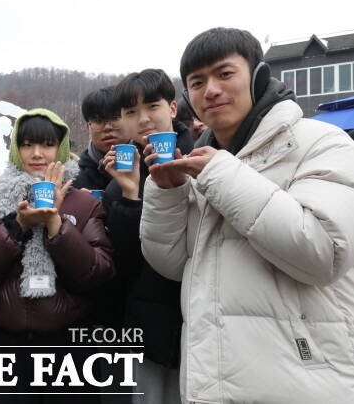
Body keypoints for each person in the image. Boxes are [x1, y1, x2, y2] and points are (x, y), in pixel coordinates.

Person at [140, 27, 354, 403]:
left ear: (258, 76)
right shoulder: (199, 164)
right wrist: (168, 192)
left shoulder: (319, 142)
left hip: (302, 382)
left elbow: (324, 253)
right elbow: (172, 264)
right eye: (197, 82)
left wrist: (219, 174)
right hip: (214, 377)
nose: (211, 90)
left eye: (225, 74)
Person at [0, 108, 114, 403]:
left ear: (61, 149)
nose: (37, 153)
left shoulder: (84, 202)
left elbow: (97, 274)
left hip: (67, 351)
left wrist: (56, 224)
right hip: (0, 348)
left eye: (47, 144)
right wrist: (18, 226)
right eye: (27, 144)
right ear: (16, 149)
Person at [99, 69, 194, 404]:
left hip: (201, 322)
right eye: (130, 112)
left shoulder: (203, 157)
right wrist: (129, 195)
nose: (142, 120)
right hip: (149, 329)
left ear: (172, 108)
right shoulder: (120, 178)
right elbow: (123, 261)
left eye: (151, 106)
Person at [73, 86, 131, 191]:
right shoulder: (76, 176)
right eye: (99, 121)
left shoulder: (149, 161)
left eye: (115, 117)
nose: (108, 127)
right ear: (88, 127)